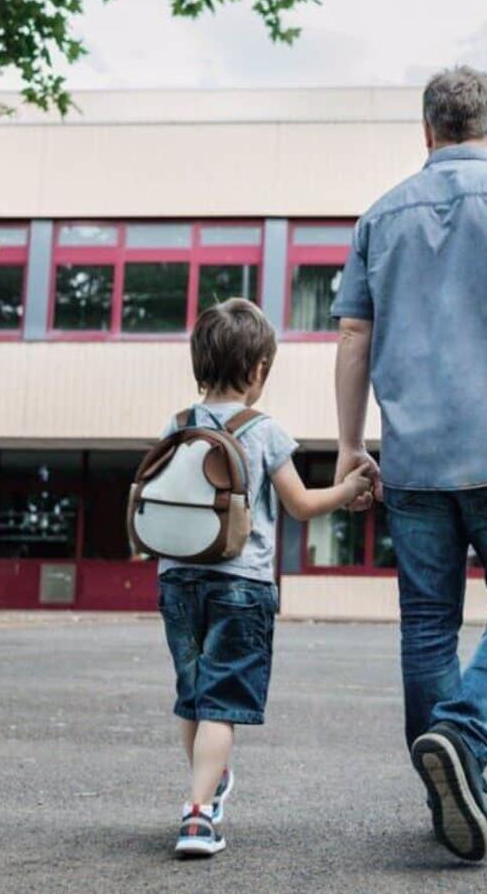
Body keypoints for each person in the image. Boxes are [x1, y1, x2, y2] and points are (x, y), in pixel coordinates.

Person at [330, 66, 487, 863]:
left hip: (413, 462)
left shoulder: (379, 216)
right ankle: (464, 733)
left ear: (426, 133)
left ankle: (448, 779)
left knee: (427, 625)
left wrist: (350, 445)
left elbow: (352, 337)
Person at [157, 299, 374, 857]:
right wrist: (349, 491)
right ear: (258, 371)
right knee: (222, 702)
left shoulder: (177, 425)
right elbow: (300, 505)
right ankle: (199, 815)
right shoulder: (264, 431)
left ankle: (205, 781)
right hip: (241, 584)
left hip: (177, 579)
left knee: (194, 695)